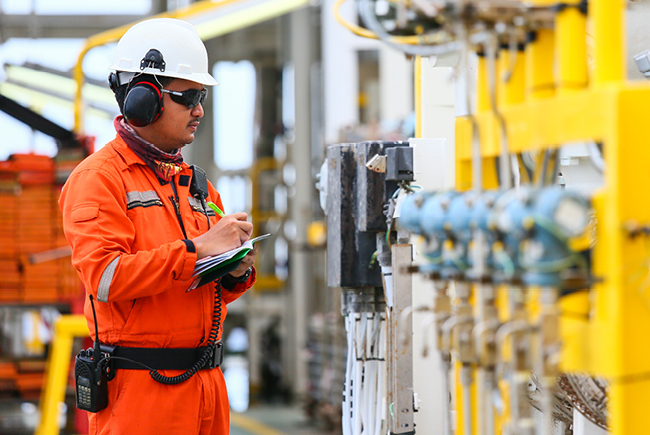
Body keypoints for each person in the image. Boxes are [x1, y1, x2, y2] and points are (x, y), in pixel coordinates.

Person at [59, 18, 257, 435]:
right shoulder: (100, 179)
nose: (199, 109)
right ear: (142, 100)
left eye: (201, 96)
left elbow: (200, 291)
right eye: (188, 97)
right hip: (143, 397)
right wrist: (200, 248)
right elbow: (105, 277)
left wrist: (235, 269)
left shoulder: (196, 185)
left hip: (206, 389)